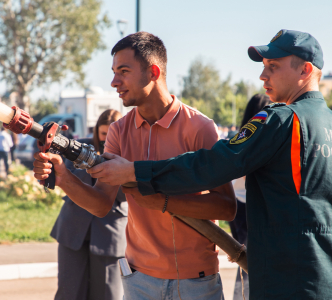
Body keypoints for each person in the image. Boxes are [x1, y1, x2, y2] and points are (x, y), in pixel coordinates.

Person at [90, 30, 332, 299]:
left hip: (293, 280)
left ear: (306, 70)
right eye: (264, 67)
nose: (263, 76)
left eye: (273, 67)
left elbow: (214, 164)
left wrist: (137, 171)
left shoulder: (281, 120)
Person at [33, 32, 236, 300]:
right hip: (139, 280)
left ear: (153, 72)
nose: (114, 81)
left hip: (194, 280)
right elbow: (102, 204)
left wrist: (162, 201)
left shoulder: (199, 128)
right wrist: (63, 179)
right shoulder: (118, 131)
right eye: (114, 72)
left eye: (123, 71)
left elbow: (226, 207)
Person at [52, 109, 127, 300]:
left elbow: (128, 195)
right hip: (73, 228)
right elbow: (63, 178)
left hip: (110, 232)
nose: (107, 138)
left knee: (107, 294)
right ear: (96, 132)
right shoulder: (79, 148)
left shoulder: (128, 157)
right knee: (69, 293)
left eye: (112, 133)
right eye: (103, 134)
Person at [228, 94, 271, 300]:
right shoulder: (261, 140)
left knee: (242, 260)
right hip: (251, 206)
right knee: (253, 262)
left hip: (235, 206)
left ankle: (241, 296)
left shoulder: (240, 138)